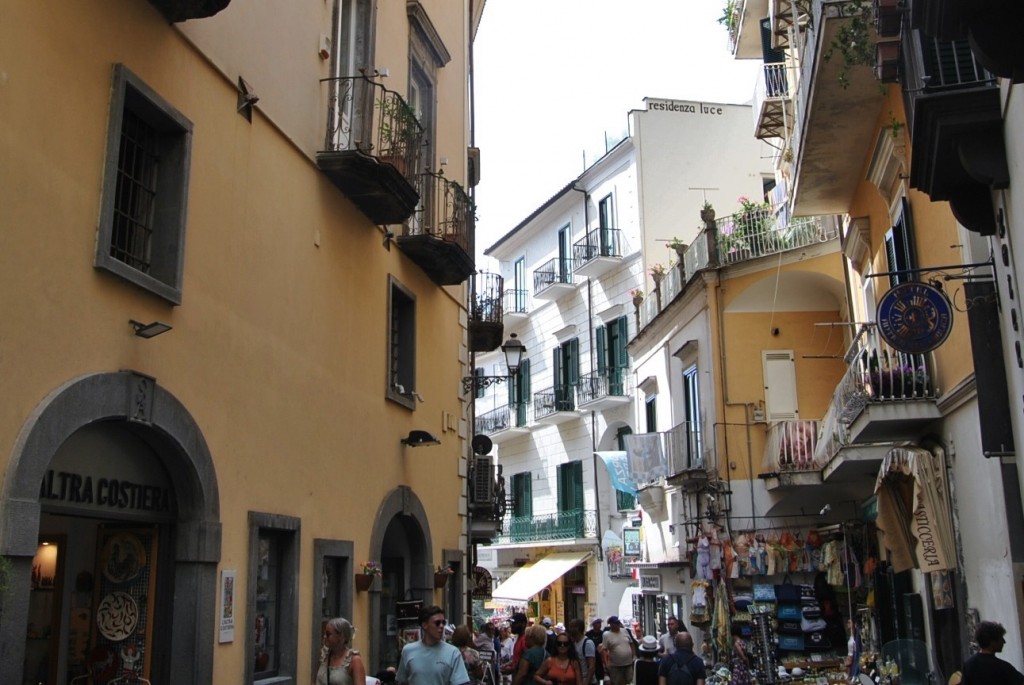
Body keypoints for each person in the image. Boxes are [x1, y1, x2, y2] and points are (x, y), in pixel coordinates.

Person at [396, 606, 470, 685]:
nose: (441, 626)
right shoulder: (408, 650)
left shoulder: (453, 653)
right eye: (437, 623)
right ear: (425, 625)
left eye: (443, 623)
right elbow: (402, 681)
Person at [962, 620, 1024, 685]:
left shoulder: (968, 665)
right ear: (992, 641)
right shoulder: (1003, 667)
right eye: (1001, 638)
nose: (1004, 642)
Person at [317, 617, 368, 685]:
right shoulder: (323, 656)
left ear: (341, 636)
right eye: (324, 634)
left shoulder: (354, 661)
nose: (325, 637)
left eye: (328, 634)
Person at [600, 616, 636, 685]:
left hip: (628, 663)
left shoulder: (625, 631)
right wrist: (606, 663)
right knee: (617, 682)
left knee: (630, 681)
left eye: (618, 623)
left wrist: (634, 655)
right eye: (615, 623)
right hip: (615, 666)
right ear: (611, 624)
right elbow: (604, 650)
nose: (618, 625)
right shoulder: (606, 635)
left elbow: (631, 643)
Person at [568, 619, 597, 685]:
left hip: (587, 681)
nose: (570, 629)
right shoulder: (574, 643)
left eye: (572, 627)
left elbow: (591, 666)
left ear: (578, 628)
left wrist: (586, 682)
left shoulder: (587, 643)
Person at [502, 614, 529, 679]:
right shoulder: (519, 638)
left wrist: (512, 669)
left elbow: (526, 663)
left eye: (514, 623)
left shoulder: (525, 640)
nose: (511, 625)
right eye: (511, 623)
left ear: (523, 624)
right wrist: (509, 664)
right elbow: (518, 659)